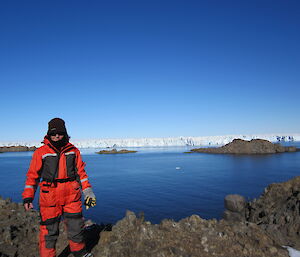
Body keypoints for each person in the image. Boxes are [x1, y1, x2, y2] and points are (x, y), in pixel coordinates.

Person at [22, 118, 96, 257]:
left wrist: (88, 192)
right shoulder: (41, 152)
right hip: (49, 197)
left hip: (72, 196)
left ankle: (80, 253)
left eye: (60, 133)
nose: (56, 136)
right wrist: (28, 197)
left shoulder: (73, 151)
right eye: (53, 133)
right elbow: (33, 176)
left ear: (65, 133)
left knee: (76, 228)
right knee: (49, 232)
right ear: (48, 134)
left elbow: (81, 173)